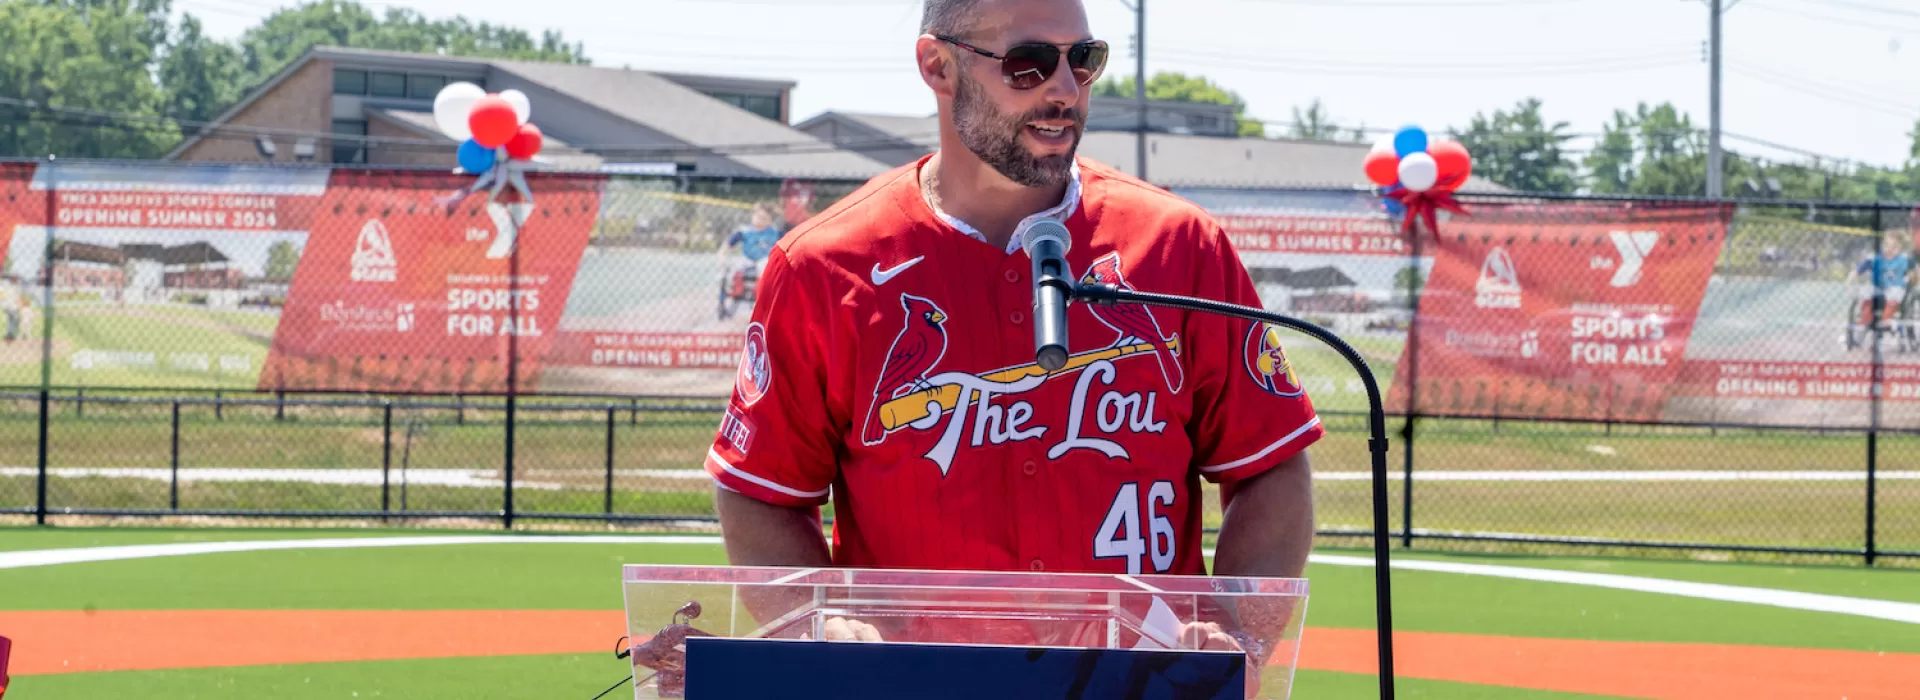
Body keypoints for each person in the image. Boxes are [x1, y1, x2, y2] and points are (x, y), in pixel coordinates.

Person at [704, 0, 1319, 665]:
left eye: (1084, 60)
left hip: (1141, 682)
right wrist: (813, 623)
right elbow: (760, 491)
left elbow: (1271, 465)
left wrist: (1238, 635)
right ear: (939, 67)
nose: (1064, 90)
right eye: (1028, 64)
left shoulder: (1178, 245)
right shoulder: (825, 267)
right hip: (915, 688)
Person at [715, 202, 784, 319]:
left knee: (765, 269)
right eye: (758, 216)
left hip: (764, 259)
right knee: (730, 270)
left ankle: (760, 298)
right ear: (753, 216)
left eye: (764, 218)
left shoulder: (775, 232)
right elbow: (728, 244)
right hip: (747, 259)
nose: (760, 220)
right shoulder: (745, 231)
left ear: (770, 220)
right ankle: (733, 292)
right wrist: (722, 255)